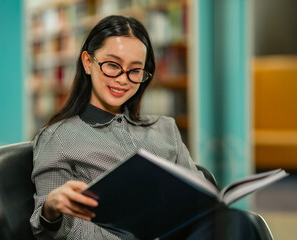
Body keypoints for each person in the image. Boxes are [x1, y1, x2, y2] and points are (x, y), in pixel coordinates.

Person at [30, 15, 262, 240]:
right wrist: (52, 209)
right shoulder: (57, 138)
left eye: (134, 70)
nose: (123, 79)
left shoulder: (165, 129)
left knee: (242, 223)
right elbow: (46, 229)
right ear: (88, 63)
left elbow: (196, 204)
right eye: (112, 65)